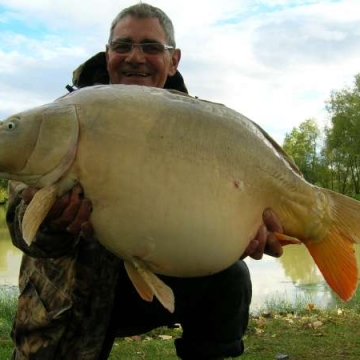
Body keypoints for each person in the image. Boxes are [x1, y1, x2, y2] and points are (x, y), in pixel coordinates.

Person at [6, 3, 284, 360]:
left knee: (231, 278)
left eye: (151, 47)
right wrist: (55, 223)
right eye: (123, 46)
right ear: (107, 56)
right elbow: (19, 225)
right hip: (71, 297)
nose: (135, 57)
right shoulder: (60, 118)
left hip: (160, 276)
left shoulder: (201, 127)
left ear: (174, 60)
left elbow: (223, 203)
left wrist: (241, 230)